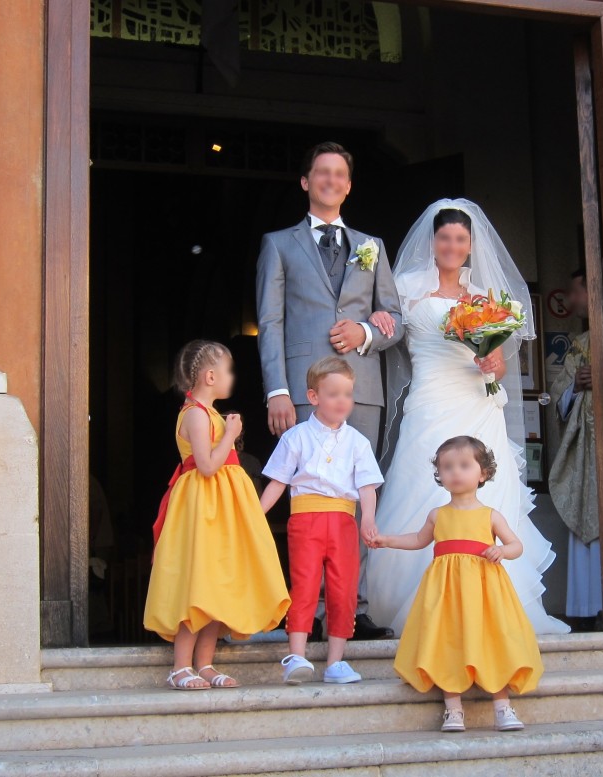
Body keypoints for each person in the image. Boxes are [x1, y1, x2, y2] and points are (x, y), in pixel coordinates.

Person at [365, 199, 569, 637]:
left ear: (471, 245)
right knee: (421, 485)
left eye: (461, 239)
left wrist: (492, 365)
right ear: (432, 242)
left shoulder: (483, 300)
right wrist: (377, 318)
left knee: (486, 490)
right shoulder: (405, 287)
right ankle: (423, 606)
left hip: (476, 403)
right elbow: (383, 325)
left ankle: (493, 604)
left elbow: (497, 361)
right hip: (430, 400)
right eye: (445, 238)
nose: (452, 246)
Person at [256, 141, 402, 641]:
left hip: (362, 389)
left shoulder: (373, 246)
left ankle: (351, 609)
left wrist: (367, 335)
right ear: (306, 181)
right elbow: (270, 322)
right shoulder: (278, 244)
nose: (331, 181)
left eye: (340, 174)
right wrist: (277, 389)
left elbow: (395, 321)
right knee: (309, 496)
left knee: (360, 496)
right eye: (322, 173)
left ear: (348, 185)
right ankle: (311, 612)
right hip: (303, 387)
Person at [144, 340, 291, 689]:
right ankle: (181, 666)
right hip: (202, 508)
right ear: (210, 376)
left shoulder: (209, 413)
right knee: (198, 581)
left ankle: (205, 663)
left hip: (220, 510)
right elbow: (207, 465)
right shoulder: (194, 413)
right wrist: (233, 434)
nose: (231, 378)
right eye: (228, 371)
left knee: (219, 583)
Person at [370, 436, 543, 733]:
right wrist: (387, 540)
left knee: (491, 640)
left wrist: (501, 550)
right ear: (440, 474)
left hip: (484, 591)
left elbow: (516, 545)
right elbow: (417, 540)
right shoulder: (437, 515)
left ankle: (502, 707)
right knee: (448, 640)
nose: (455, 472)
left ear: (483, 473)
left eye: (464, 466)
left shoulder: (490, 515)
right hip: (447, 591)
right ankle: (453, 709)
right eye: (447, 467)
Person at [259, 356, 384, 684]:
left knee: (344, 589)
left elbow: (367, 487)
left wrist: (367, 519)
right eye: (334, 394)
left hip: (344, 521)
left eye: (348, 394)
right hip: (305, 519)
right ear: (314, 397)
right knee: (305, 585)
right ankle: (296, 656)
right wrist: (256, 516)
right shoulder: (296, 437)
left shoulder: (358, 441)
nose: (343, 401)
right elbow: (278, 482)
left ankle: (335, 662)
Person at [547, 268, 602, 630]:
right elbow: (558, 401)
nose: (571, 298)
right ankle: (586, 610)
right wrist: (576, 388)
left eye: (576, 291)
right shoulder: (578, 344)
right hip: (586, 453)